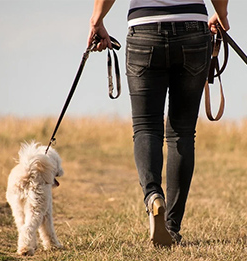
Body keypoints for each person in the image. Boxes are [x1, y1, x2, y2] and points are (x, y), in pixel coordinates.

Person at [88, 0, 229, 246]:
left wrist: (97, 19)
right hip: (192, 29)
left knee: (146, 126)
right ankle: (172, 227)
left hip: (144, 28)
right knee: (182, 132)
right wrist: (221, 13)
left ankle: (153, 195)